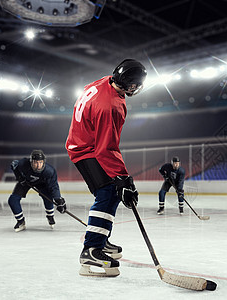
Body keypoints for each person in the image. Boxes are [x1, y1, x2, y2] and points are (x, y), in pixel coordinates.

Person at [66, 58, 146, 277]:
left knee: (108, 193)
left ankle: (100, 239)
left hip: (83, 141)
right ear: (129, 84)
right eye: (135, 84)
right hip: (86, 149)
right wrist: (124, 179)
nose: (137, 88)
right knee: (109, 192)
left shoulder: (105, 81)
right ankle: (91, 249)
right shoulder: (110, 106)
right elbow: (106, 149)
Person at [8, 149, 67, 232]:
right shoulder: (24, 164)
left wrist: (58, 200)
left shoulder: (49, 171)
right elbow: (14, 165)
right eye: (36, 162)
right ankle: (20, 221)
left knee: (48, 196)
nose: (38, 165)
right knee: (13, 200)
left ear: (44, 162)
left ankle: (50, 216)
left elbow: (53, 186)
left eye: (40, 162)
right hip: (26, 182)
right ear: (31, 162)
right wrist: (19, 177)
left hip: (41, 183)